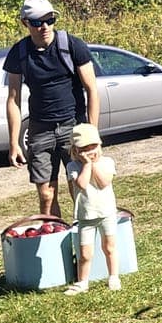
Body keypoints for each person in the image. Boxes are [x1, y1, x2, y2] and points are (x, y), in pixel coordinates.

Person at [5, 0, 100, 219]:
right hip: (40, 131)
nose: (44, 26)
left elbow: (92, 89)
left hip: (73, 127)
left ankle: (84, 242)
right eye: (37, 22)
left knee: (80, 188)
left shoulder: (72, 45)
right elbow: (13, 99)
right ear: (25, 23)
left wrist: (92, 133)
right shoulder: (19, 53)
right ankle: (56, 242)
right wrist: (13, 143)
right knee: (47, 195)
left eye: (50, 19)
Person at [64, 123, 121, 294]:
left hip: (107, 213)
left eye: (93, 147)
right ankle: (83, 282)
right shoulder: (73, 167)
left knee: (109, 247)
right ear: (76, 150)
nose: (90, 151)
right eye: (85, 148)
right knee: (85, 253)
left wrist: (94, 164)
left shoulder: (107, 162)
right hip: (85, 216)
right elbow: (81, 184)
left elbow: (104, 183)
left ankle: (113, 276)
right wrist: (87, 165)